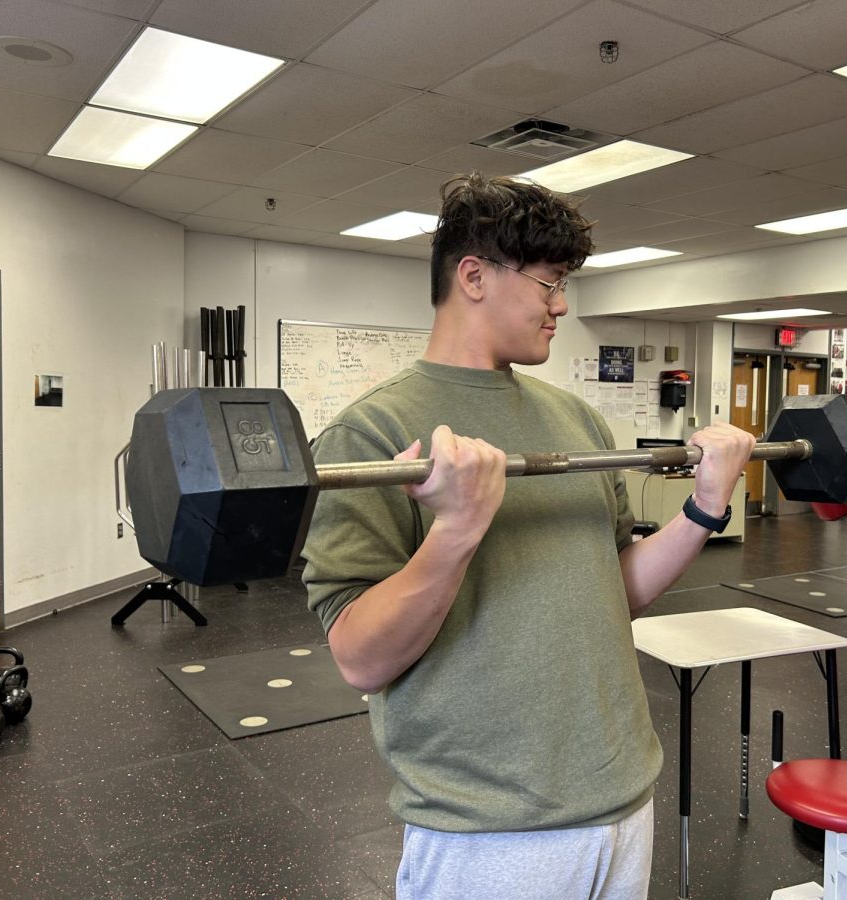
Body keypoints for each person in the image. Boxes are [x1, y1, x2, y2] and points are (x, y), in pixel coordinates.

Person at [302, 173, 755, 899]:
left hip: (620, 792)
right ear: (474, 276)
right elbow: (358, 657)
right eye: (548, 284)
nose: (561, 305)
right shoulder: (373, 432)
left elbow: (617, 589)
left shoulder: (576, 420)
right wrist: (456, 529)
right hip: (491, 828)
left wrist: (704, 507)